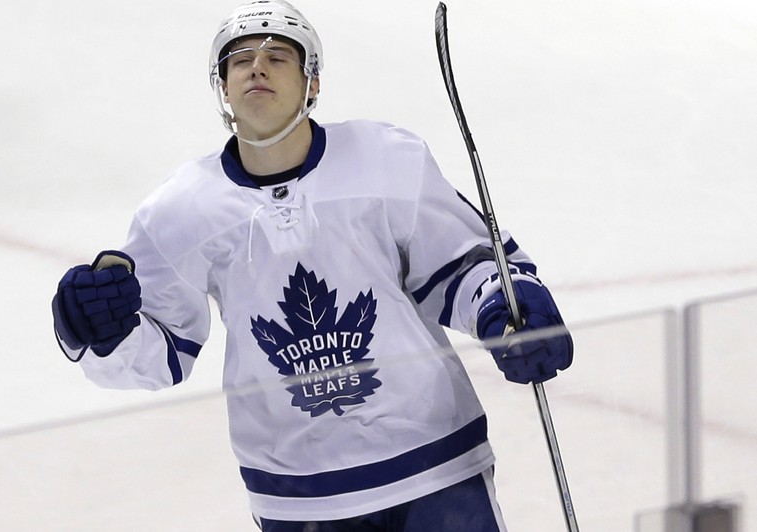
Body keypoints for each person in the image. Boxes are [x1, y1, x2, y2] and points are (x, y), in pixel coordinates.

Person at [52, 1, 573, 530]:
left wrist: (505, 306)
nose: (256, 66)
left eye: (278, 56)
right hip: (299, 494)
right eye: (239, 61)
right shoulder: (179, 210)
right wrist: (102, 333)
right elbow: (159, 352)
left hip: (434, 462)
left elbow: (463, 266)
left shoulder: (386, 158)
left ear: (312, 84)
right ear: (223, 89)